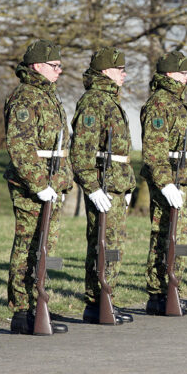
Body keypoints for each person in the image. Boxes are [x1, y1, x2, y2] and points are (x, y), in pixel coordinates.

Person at [3, 39, 73, 334]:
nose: (59, 70)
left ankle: (39, 301)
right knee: (28, 245)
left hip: (52, 182)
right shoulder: (25, 98)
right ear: (37, 66)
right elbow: (20, 146)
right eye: (54, 65)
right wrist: (39, 183)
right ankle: (22, 310)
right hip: (33, 184)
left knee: (47, 247)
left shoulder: (48, 96)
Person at [69, 46, 136, 325]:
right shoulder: (94, 102)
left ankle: (107, 297)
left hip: (117, 183)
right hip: (103, 184)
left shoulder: (109, 100)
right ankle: (96, 302)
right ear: (106, 71)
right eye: (120, 69)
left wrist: (128, 186)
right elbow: (81, 151)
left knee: (114, 245)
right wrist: (92, 187)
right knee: (102, 242)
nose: (124, 74)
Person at [140, 50, 187, 316]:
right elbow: (154, 151)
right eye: (182, 72)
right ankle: (158, 294)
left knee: (180, 237)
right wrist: (165, 184)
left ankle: (173, 289)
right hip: (168, 178)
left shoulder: (178, 102)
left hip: (183, 178)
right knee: (164, 234)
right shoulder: (159, 104)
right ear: (168, 74)